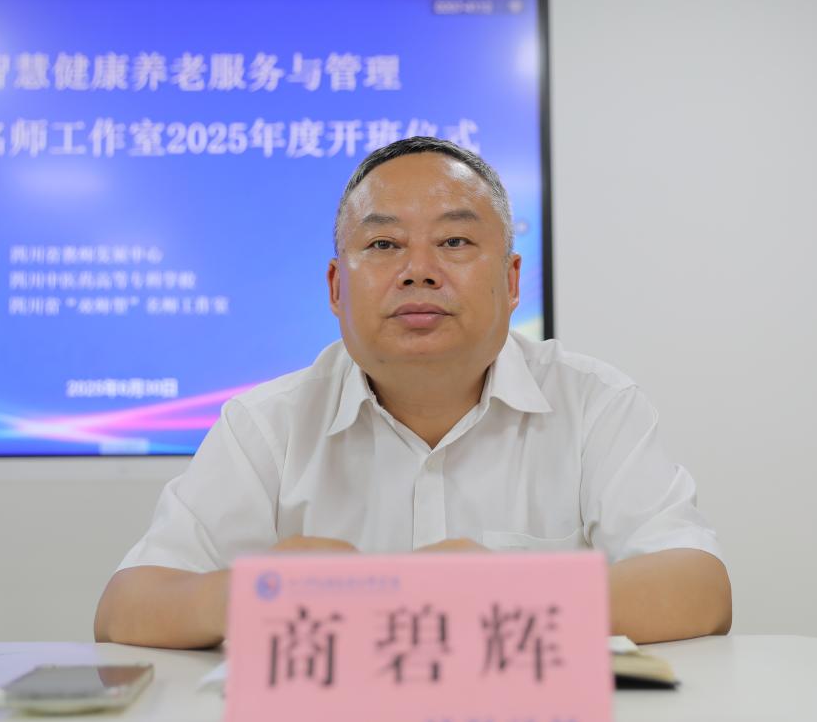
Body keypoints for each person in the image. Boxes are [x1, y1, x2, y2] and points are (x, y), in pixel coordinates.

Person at [95, 137, 731, 648]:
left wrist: (509, 594)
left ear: (512, 280)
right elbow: (125, 609)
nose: (419, 271)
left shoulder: (594, 402)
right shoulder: (267, 424)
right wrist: (255, 594)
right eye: (383, 244)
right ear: (337, 287)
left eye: (455, 242)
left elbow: (699, 588)